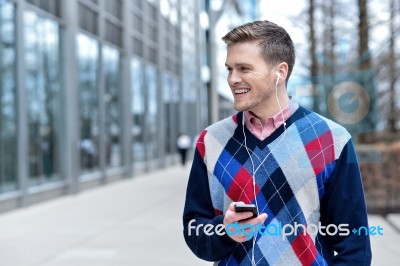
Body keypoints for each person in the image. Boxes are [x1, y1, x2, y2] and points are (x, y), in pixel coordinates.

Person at [183, 20, 371, 265]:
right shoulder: (210, 141)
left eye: (244, 68)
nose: (232, 79)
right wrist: (225, 231)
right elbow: (195, 230)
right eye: (229, 69)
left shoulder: (331, 140)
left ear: (280, 72)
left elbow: (355, 245)